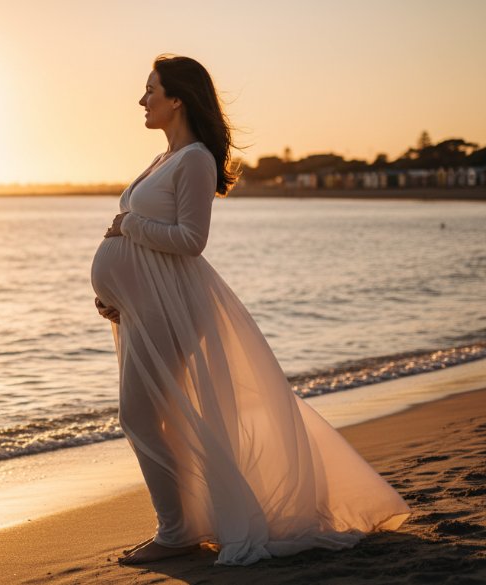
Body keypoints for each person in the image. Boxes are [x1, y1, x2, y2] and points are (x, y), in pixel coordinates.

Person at [89, 55, 410, 566]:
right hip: (146, 309)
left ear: (177, 99)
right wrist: (116, 296)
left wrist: (128, 228)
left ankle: (176, 533)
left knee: (140, 417)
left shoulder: (194, 158)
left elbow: (191, 241)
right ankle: (186, 524)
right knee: (157, 418)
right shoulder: (162, 159)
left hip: (173, 308)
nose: (142, 99)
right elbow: (146, 245)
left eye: (151, 90)